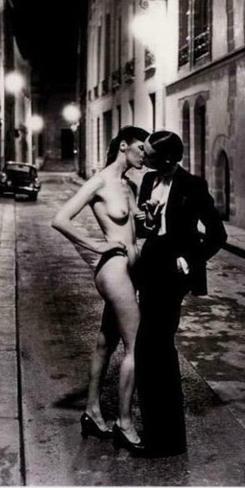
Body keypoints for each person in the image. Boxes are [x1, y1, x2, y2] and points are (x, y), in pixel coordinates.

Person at [51, 126, 149, 452]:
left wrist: (147, 217)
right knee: (137, 346)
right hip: (114, 270)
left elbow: (134, 229)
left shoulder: (128, 185)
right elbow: (60, 219)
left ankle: (93, 412)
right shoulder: (100, 181)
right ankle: (125, 422)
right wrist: (96, 246)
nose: (144, 154)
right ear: (123, 146)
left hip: (131, 271)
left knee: (106, 343)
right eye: (140, 147)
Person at [135, 130, 227, 456]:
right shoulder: (148, 180)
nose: (143, 156)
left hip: (172, 276)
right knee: (149, 350)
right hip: (150, 268)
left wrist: (190, 259)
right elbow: (147, 229)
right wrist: (147, 219)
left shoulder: (193, 185)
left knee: (156, 348)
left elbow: (218, 234)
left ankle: (167, 440)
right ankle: (158, 434)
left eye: (148, 153)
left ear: (167, 159)